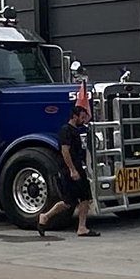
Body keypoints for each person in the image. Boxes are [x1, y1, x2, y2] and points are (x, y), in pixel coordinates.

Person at [35, 100, 100, 239]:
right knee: (77, 200)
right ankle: (79, 227)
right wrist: (72, 170)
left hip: (76, 168)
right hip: (71, 170)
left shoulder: (75, 130)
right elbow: (65, 151)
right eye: (82, 117)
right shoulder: (66, 131)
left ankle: (46, 217)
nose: (83, 120)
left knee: (75, 201)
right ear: (74, 117)